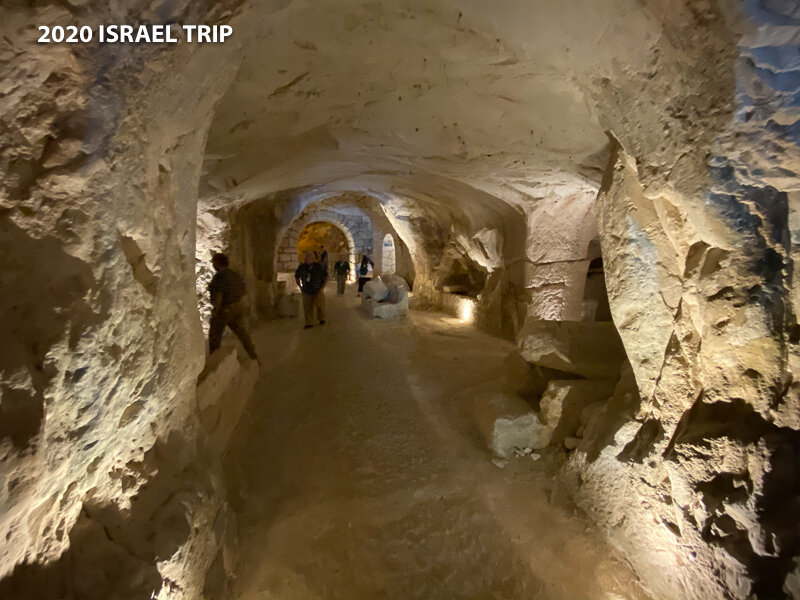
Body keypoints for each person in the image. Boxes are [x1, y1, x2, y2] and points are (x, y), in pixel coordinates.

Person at [207, 253, 259, 363]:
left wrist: (216, 310)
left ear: (217, 262)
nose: (213, 265)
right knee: (243, 335)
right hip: (237, 307)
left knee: (214, 336)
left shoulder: (220, 276)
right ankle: (254, 357)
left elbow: (219, 295)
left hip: (225, 309)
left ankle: (214, 362)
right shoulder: (235, 274)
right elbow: (243, 290)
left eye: (213, 262)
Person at [295, 252, 328, 328]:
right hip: (306, 290)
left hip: (317, 289)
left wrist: (323, 287)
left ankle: (321, 319)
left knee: (320, 306)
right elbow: (297, 276)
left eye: (308, 257)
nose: (306, 259)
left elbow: (326, 276)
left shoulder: (319, 267)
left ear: (313, 258)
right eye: (305, 257)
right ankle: (309, 323)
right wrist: (300, 286)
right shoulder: (302, 267)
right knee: (307, 307)